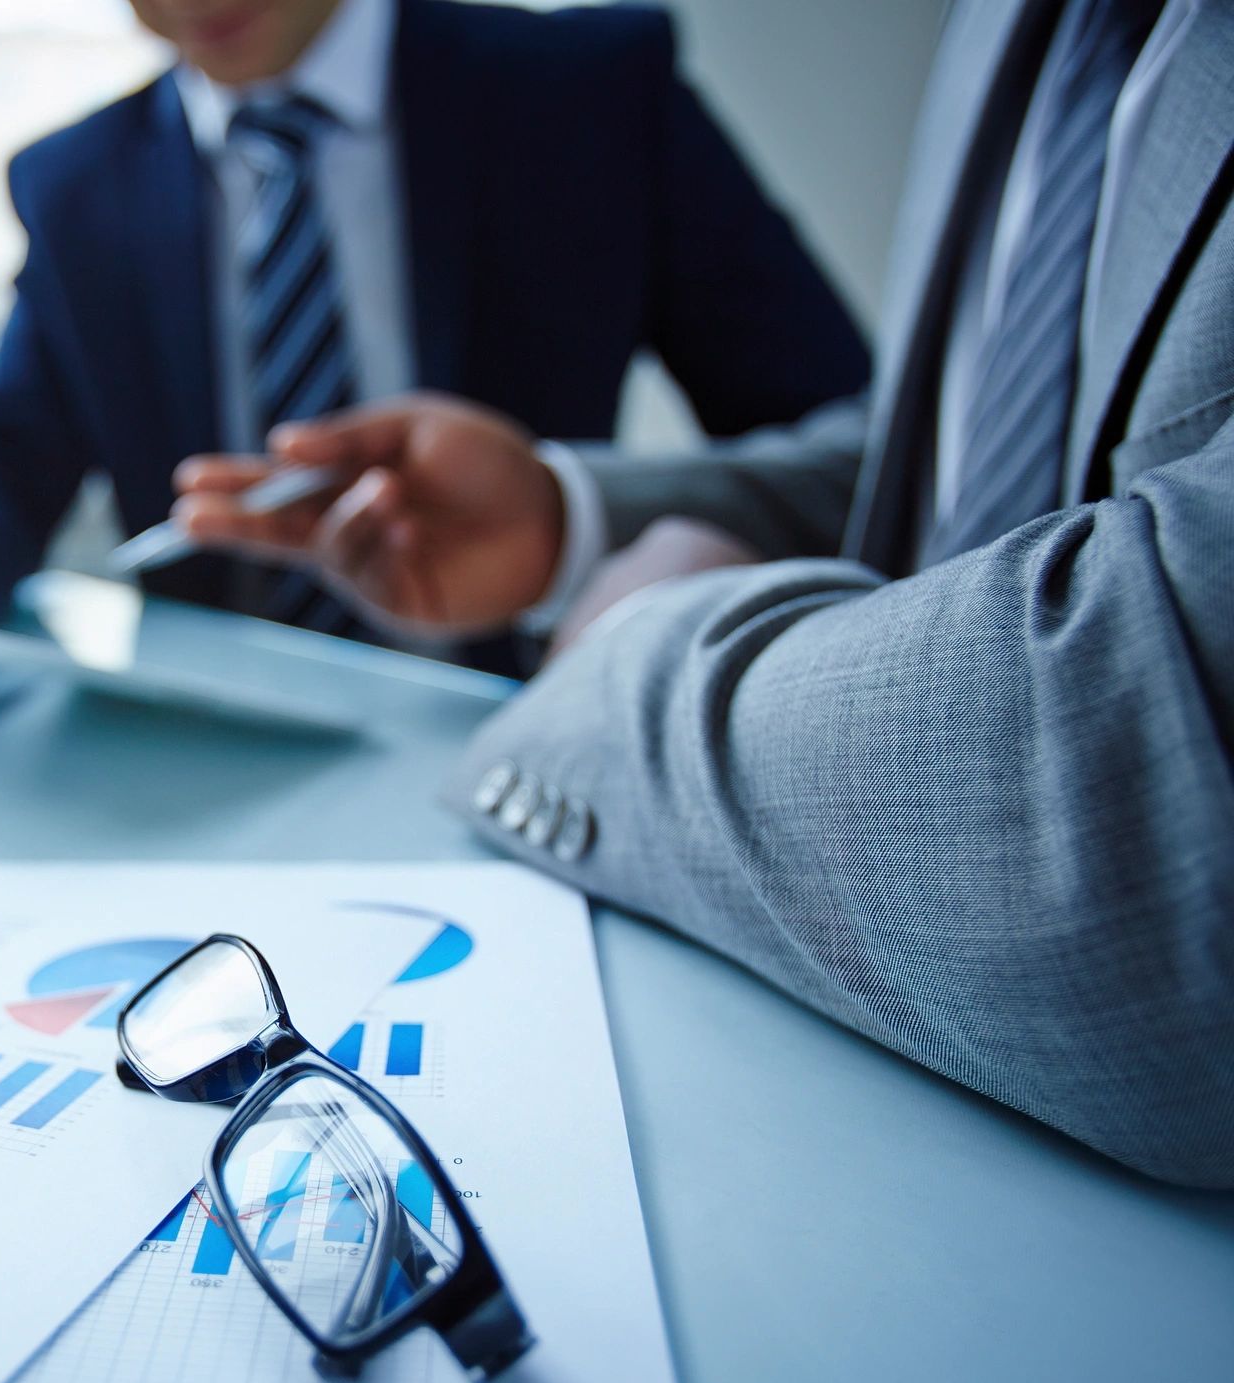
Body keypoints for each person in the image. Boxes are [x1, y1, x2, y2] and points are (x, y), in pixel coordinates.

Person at [177, 0, 1234, 1186]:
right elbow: (948, 461)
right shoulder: (1011, 26)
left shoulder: (586, 71)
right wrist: (571, 525)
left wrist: (621, 639)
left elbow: (1156, 806)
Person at [0, 0, 870, 703]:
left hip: (540, 716)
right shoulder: (78, 185)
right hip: (216, 766)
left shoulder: (586, 95)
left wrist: (589, 536)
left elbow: (857, 444)